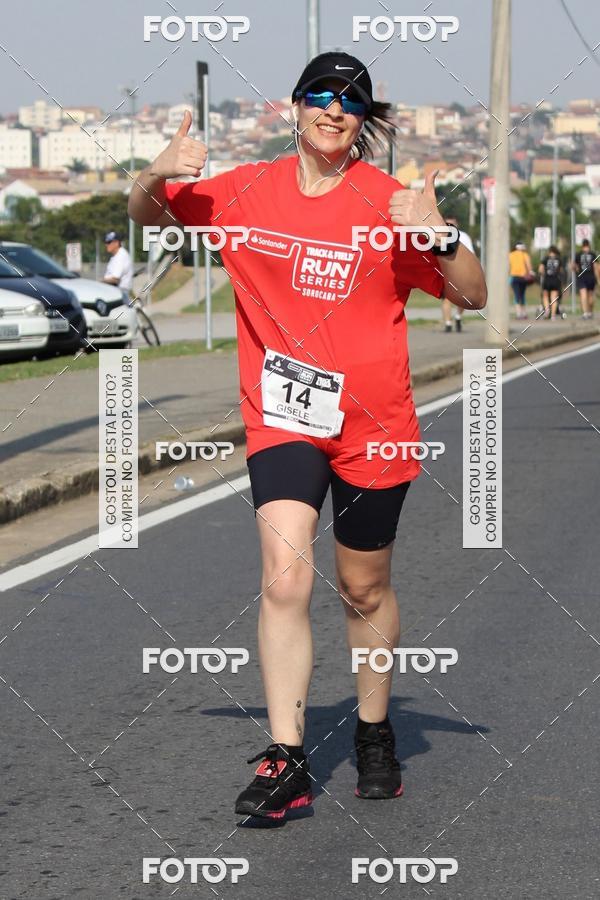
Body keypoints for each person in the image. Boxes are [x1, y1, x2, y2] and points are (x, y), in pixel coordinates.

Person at [129, 51, 487, 819]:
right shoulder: (245, 189)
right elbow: (148, 214)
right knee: (286, 577)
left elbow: (473, 290)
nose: (334, 109)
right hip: (285, 417)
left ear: (365, 121)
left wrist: (441, 233)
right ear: (292, 105)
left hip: (375, 428)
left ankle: (372, 730)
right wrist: (153, 174)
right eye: (320, 95)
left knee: (364, 587)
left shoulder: (390, 203)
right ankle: (287, 759)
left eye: (352, 101)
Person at [440, 216, 475, 332]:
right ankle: (448, 323)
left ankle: (458, 316)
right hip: (446, 272)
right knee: (446, 299)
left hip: (461, 272)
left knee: (463, 298)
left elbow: (471, 254)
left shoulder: (463, 237)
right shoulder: (440, 236)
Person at [572, 238, 598, 320]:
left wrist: (576, 271)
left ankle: (585, 313)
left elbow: (573, 266)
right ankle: (590, 312)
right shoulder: (593, 254)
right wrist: (598, 278)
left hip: (582, 276)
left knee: (583, 295)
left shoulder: (578, 254)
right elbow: (596, 267)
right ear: (589, 245)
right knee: (590, 296)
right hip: (591, 276)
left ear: (582, 246)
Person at [509, 242, 534, 320]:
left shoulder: (510, 254)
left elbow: (508, 266)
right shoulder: (525, 255)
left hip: (514, 277)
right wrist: (531, 272)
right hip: (523, 277)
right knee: (522, 295)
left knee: (516, 295)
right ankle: (524, 313)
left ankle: (518, 313)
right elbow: (529, 265)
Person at [538, 245, 564, 320]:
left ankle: (547, 311)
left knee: (545, 296)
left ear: (549, 252)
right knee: (554, 298)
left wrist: (543, 274)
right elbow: (561, 271)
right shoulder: (559, 259)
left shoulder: (545, 259)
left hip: (547, 279)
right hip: (555, 280)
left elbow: (540, 269)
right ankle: (553, 316)